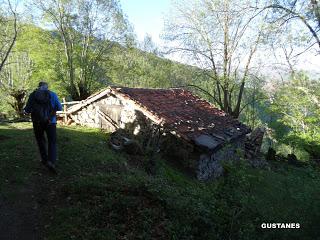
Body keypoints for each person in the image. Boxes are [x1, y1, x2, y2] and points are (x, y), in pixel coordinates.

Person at [24, 81, 62, 173]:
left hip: (37, 122)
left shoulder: (33, 95)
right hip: (50, 122)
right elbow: (59, 108)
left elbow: (28, 110)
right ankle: (51, 162)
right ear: (47, 87)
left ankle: (44, 160)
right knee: (52, 142)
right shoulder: (52, 94)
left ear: (39, 87)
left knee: (40, 140)